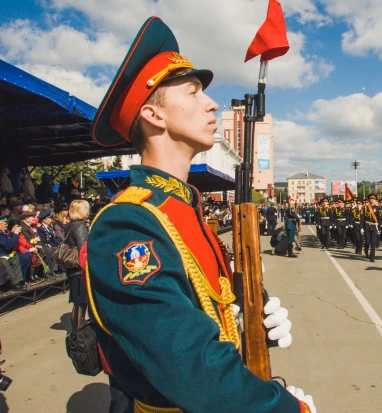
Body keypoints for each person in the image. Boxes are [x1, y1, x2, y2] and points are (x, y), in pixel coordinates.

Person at [86, 17, 312, 413]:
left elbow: (205, 315)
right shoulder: (128, 223)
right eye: (192, 93)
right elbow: (188, 367)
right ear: (153, 116)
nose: (210, 102)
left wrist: (248, 322)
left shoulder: (183, 210)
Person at [64, 200, 90, 330]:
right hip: (79, 269)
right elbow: (84, 248)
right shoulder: (79, 226)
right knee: (81, 303)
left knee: (77, 302)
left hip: (72, 268)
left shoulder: (70, 224)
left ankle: (76, 331)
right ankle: (78, 334)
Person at [0, 215, 25, 292]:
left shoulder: (4, 232)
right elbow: (8, 245)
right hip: (2, 255)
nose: (7, 224)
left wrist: (12, 232)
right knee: (4, 261)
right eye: (5, 223)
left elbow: (8, 237)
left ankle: (19, 280)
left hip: (6, 255)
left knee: (15, 258)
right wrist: (16, 234)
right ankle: (14, 283)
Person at [360, 194, 381, 262]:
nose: (371, 200)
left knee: (373, 242)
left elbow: (379, 219)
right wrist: (361, 227)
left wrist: (379, 228)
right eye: (370, 199)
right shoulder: (365, 208)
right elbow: (362, 218)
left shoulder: (378, 208)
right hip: (367, 225)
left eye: (373, 199)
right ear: (368, 200)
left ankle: (372, 257)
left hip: (374, 226)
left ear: (375, 200)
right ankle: (366, 251)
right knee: (367, 241)